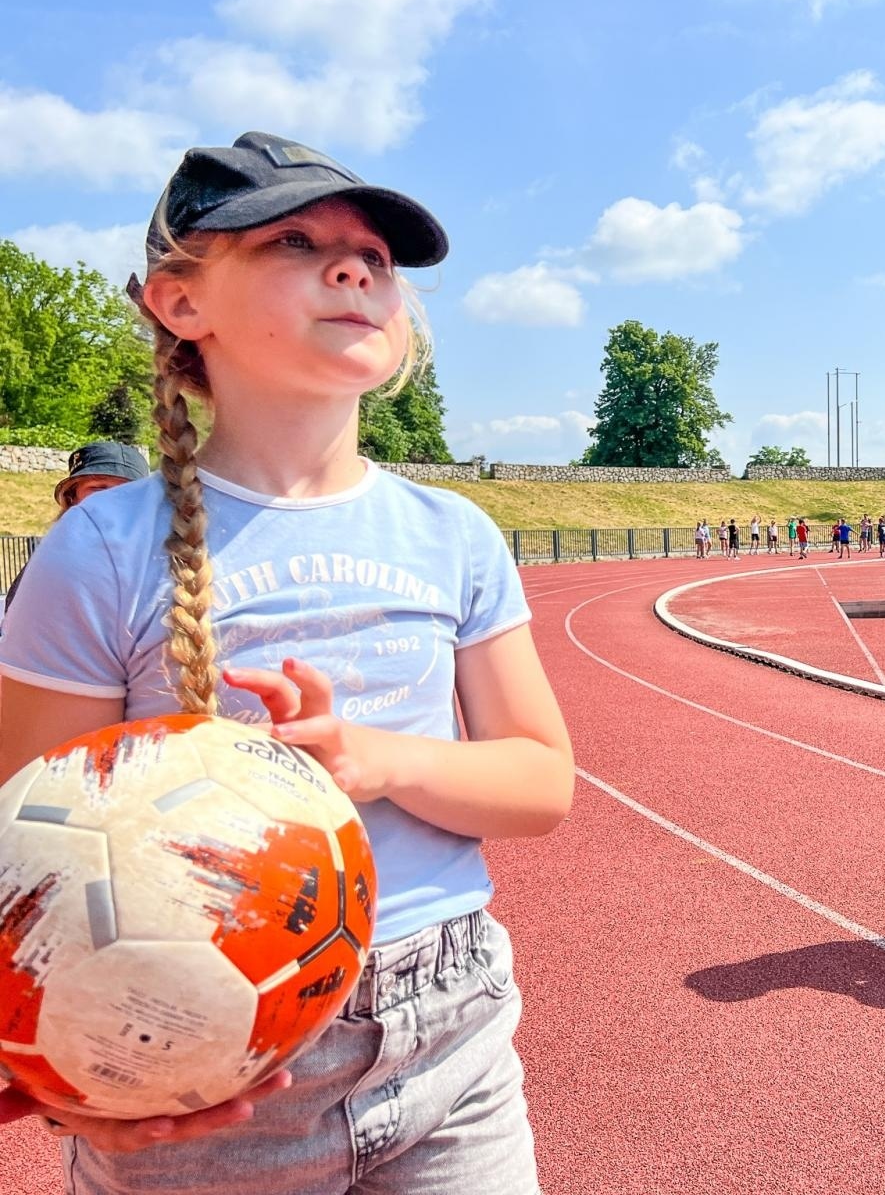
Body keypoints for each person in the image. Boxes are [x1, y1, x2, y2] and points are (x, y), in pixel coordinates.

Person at [0, 131, 574, 1193]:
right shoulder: (103, 551)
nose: (355, 267)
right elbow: (24, 869)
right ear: (181, 304)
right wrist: (69, 1078)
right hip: (204, 1067)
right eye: (297, 241)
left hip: (451, 1040)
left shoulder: (455, 536)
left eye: (376, 256)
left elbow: (541, 783)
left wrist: (378, 760)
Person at [2, 440, 151, 619]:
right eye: (98, 488)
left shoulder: (169, 562)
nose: (114, 499)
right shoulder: (49, 566)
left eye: (129, 490)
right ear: (73, 499)